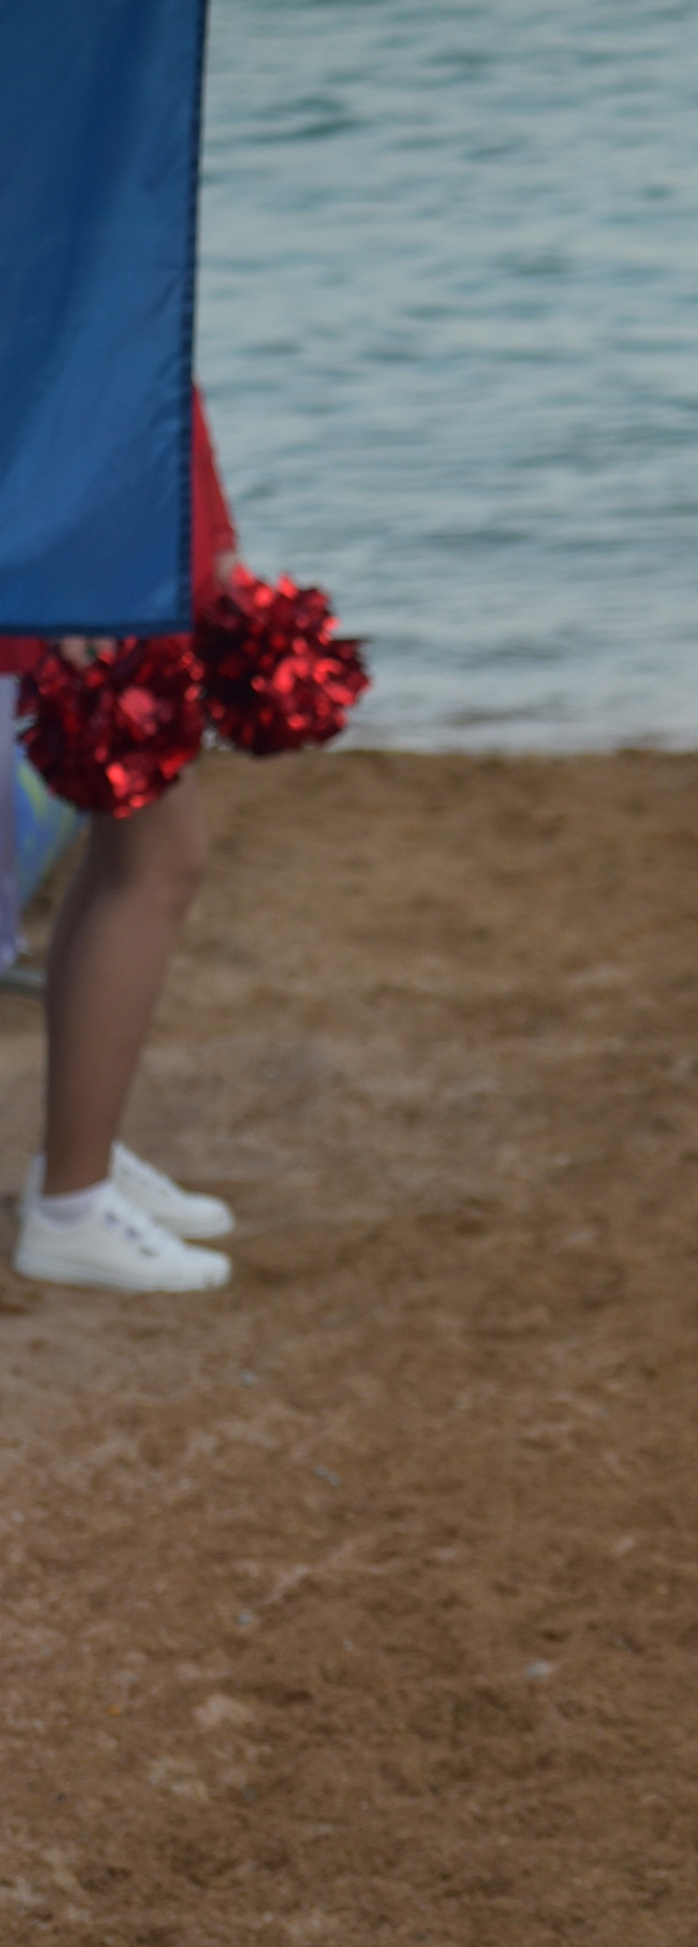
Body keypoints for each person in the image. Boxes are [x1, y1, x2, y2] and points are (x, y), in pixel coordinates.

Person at [7, 391, 240, 1295]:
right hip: (78, 568)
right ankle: (71, 1200)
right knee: (158, 861)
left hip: (109, 552)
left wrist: (209, 542)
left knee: (132, 857)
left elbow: (151, 378)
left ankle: (79, 1158)